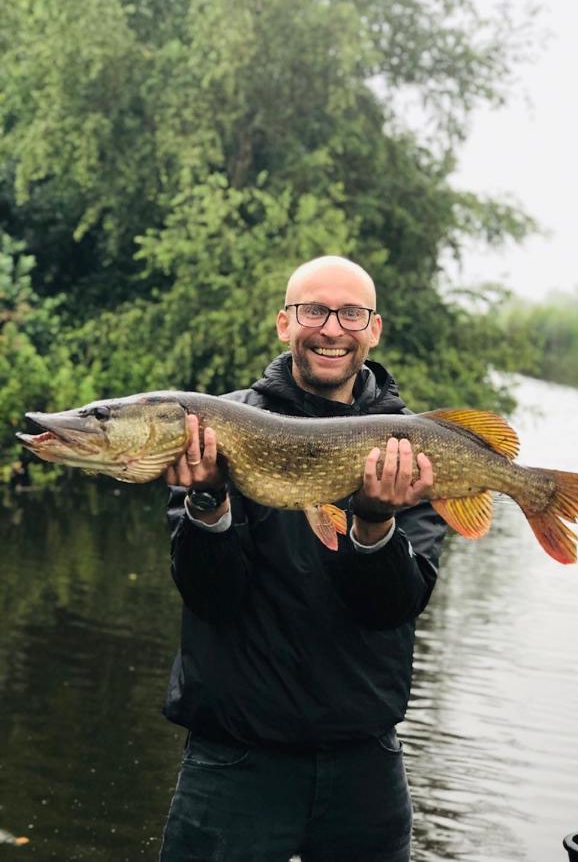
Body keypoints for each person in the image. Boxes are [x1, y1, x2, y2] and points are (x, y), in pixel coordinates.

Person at [159, 255, 447, 861]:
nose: (332, 328)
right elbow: (211, 596)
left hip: (364, 763)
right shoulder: (207, 431)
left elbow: (394, 606)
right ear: (284, 323)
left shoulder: (407, 446)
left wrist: (374, 521)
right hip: (233, 760)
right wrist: (207, 501)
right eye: (314, 310)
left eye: (351, 313)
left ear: (374, 328)